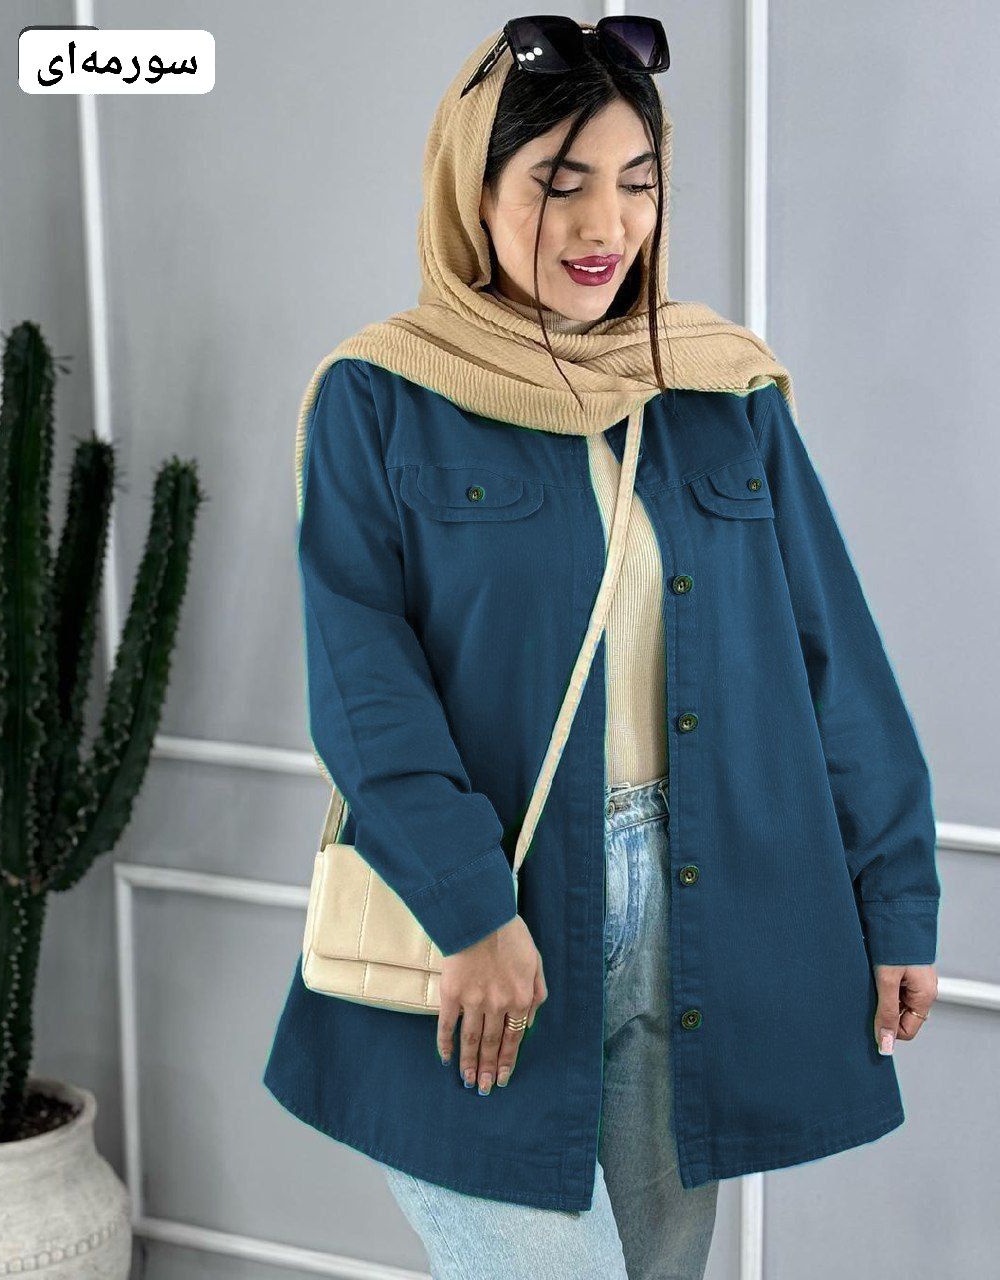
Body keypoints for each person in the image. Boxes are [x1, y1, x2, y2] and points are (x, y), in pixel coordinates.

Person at [263, 18, 941, 1280]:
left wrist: (896, 892)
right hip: (493, 908)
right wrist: (472, 910)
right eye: (558, 182)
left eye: (636, 182)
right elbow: (362, 684)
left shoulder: (719, 391)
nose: (604, 226)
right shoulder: (381, 394)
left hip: (708, 901)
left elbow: (832, 651)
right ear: (475, 188)